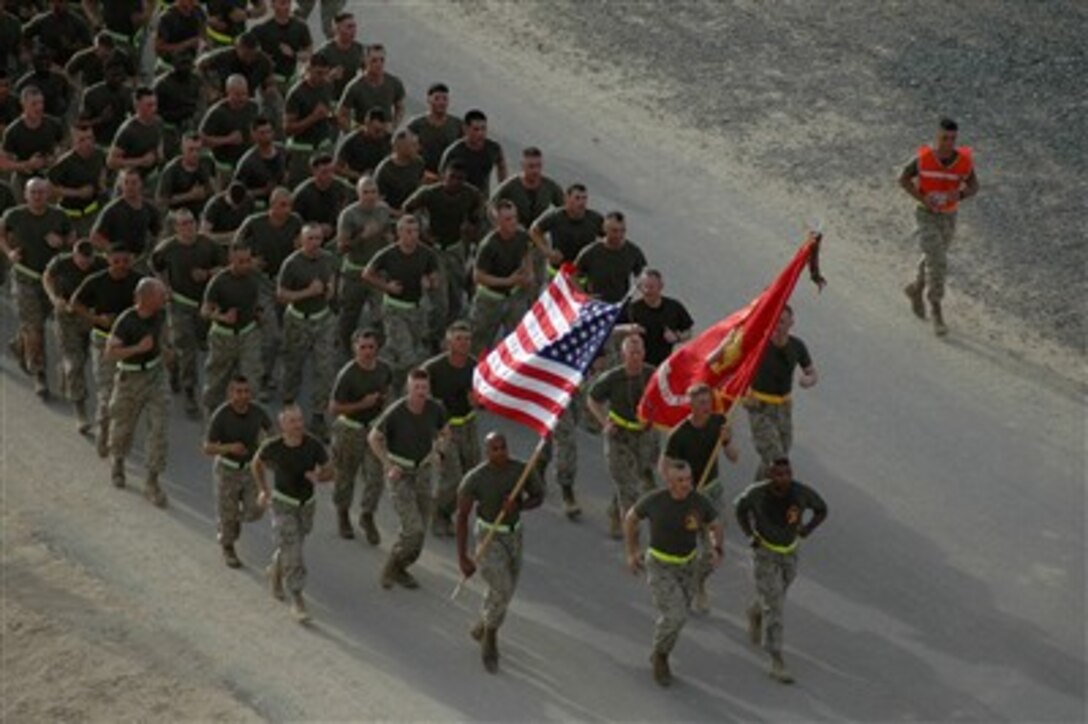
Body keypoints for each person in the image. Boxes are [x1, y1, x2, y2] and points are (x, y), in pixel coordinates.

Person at [623, 459, 722, 687]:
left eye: (689, 479)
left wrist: (717, 548)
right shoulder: (655, 501)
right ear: (668, 481)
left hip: (687, 565)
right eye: (680, 480)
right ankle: (660, 656)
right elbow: (631, 518)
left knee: (680, 615)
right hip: (660, 564)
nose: (686, 484)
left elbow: (715, 524)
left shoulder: (699, 502)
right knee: (675, 615)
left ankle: (663, 647)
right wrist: (632, 551)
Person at [456, 431, 544, 673]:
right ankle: (490, 639)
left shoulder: (521, 470)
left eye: (503, 447)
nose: (500, 452)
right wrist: (463, 557)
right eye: (494, 449)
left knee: (506, 591)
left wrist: (519, 505)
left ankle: (484, 623)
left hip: (514, 535)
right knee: (501, 586)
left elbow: (539, 497)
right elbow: (462, 517)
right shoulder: (475, 479)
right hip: (488, 536)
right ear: (486, 452)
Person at [734, 458, 827, 683]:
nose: (784, 478)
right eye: (778, 474)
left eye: (787, 473)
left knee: (779, 591)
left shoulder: (800, 493)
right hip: (765, 552)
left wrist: (807, 529)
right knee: (775, 605)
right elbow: (740, 508)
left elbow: (821, 509)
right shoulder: (756, 494)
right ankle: (776, 658)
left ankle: (756, 610)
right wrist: (750, 534)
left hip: (789, 552)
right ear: (769, 476)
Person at [367, 367, 450, 590]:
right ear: (408, 388)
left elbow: (445, 431)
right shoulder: (396, 412)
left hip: (422, 471)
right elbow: (374, 438)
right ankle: (391, 566)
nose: (421, 392)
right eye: (416, 387)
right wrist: (388, 465)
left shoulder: (435, 409)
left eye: (424, 387)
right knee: (413, 528)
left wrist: (439, 451)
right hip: (400, 473)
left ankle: (403, 567)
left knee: (421, 528)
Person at [661, 383, 739, 614]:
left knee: (712, 548)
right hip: (690, 493)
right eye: (702, 403)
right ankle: (682, 582)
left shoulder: (718, 423)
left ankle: (699, 583)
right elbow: (667, 466)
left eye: (709, 402)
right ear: (691, 406)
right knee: (688, 546)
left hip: (712, 492)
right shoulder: (679, 434)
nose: (707, 407)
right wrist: (677, 488)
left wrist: (726, 441)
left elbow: (734, 457)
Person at [899, 117, 980, 336]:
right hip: (926, 215)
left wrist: (961, 194)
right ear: (937, 137)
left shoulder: (963, 161)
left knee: (933, 257)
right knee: (938, 261)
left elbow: (974, 185)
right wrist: (922, 198)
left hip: (949, 217)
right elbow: (903, 178)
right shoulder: (923, 159)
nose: (948, 143)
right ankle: (936, 308)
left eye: (953, 139)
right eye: (944, 138)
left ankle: (916, 289)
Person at [253, 404, 333, 623]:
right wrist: (262, 489)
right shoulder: (273, 446)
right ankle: (297, 599)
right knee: (293, 549)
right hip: (282, 504)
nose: (298, 425)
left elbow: (330, 471)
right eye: (292, 421)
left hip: (306, 504)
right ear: (282, 425)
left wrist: (320, 477)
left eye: (299, 420)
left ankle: (275, 572)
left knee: (292, 544)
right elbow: (256, 463)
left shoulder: (313, 445)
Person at [0, 177, 75, 397]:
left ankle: (19, 344)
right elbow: (1, 232)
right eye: (33, 193)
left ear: (48, 195)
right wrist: (9, 253)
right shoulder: (15, 215)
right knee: (35, 327)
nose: (37, 197)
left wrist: (61, 241)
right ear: (25, 195)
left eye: (42, 193)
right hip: (25, 277)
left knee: (36, 322)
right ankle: (39, 373)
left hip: (50, 278)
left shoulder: (58, 215)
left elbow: (72, 237)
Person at [103, 276, 171, 506]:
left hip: (155, 375)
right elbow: (110, 353)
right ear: (147, 298)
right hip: (129, 378)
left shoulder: (160, 314)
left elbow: (161, 336)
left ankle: (152, 482)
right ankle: (118, 462)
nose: (165, 298)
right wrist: (137, 348)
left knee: (159, 428)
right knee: (123, 426)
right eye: (161, 295)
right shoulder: (126, 321)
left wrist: (167, 351)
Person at [70, 243, 143, 456]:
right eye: (116, 260)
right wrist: (95, 319)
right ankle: (104, 434)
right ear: (108, 259)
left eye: (125, 261)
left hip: (131, 343)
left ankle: (120, 433)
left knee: (129, 395)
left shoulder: (138, 281)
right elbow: (75, 303)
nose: (121, 265)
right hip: (104, 341)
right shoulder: (97, 281)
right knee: (107, 391)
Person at [402, 161, 484, 344]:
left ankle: (450, 335)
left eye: (460, 179)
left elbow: (477, 216)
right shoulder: (430, 193)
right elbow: (407, 209)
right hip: (434, 250)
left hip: (455, 248)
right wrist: (420, 234)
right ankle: (433, 337)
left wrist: (471, 230)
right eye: (451, 177)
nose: (455, 182)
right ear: (443, 176)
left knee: (456, 296)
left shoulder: (471, 194)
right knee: (440, 301)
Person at [150, 208, 223, 414]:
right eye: (183, 224)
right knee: (186, 347)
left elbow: (224, 267)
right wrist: (165, 286)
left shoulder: (208, 244)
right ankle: (190, 391)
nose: (188, 227)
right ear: (175, 228)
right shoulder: (167, 248)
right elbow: (155, 266)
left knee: (206, 345)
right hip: (180, 303)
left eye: (191, 222)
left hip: (205, 304)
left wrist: (208, 273)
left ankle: (175, 369)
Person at [588, 334, 658, 538]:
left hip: (642, 434)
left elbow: (660, 398)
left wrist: (653, 418)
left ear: (644, 353)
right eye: (631, 353)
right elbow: (592, 399)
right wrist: (605, 422)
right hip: (619, 435)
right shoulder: (613, 378)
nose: (635, 357)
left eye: (639, 353)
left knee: (631, 478)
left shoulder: (651, 374)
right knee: (628, 486)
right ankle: (631, 533)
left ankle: (614, 510)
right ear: (623, 355)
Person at [235, 186, 302, 398]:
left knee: (283, 333)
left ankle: (266, 371)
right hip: (260, 283)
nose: (287, 209)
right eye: (283, 205)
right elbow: (235, 248)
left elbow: (301, 245)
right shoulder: (254, 223)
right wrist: (249, 261)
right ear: (272, 205)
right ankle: (261, 378)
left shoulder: (295, 222)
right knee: (271, 334)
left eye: (289, 204)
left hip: (285, 282)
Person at [328, 328, 392, 542]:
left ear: (377, 348)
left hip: (373, 430)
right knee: (346, 476)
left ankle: (367, 515)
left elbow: (388, 393)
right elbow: (334, 408)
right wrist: (361, 404)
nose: (367, 351)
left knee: (375, 477)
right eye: (362, 347)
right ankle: (343, 514)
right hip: (349, 430)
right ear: (355, 348)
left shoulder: (384, 369)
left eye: (371, 347)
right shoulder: (348, 374)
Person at [203, 374, 273, 568]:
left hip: (250, 469)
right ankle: (228, 547)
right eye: (239, 392)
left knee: (256, 509)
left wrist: (268, 449)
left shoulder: (258, 412)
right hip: (227, 469)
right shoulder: (221, 415)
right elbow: (207, 447)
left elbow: (272, 432)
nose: (243, 396)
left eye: (247, 391)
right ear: (230, 394)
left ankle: (233, 519)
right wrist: (229, 448)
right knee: (227, 513)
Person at [361, 214, 439, 386]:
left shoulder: (427, 254)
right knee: (408, 355)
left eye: (416, 231)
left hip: (417, 309)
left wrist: (430, 282)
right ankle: (406, 391)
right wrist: (386, 286)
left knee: (411, 350)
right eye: (408, 231)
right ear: (400, 233)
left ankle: (392, 379)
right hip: (394, 310)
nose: (413, 235)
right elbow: (367, 274)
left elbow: (435, 279)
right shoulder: (388, 254)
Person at [741, 305, 816, 480]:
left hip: (783, 407)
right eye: (775, 320)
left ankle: (756, 495)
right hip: (759, 406)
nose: (778, 325)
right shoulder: (760, 343)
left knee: (780, 453)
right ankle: (762, 498)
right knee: (776, 458)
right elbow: (738, 366)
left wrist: (808, 380)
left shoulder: (797, 346)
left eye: (782, 322)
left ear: (791, 323)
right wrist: (744, 393)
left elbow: (811, 372)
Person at [276, 223, 337, 437]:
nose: (314, 243)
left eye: (318, 239)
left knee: (325, 368)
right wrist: (307, 292)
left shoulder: (328, 258)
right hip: (298, 320)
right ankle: (288, 408)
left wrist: (330, 290)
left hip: (323, 320)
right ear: (301, 241)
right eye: (310, 239)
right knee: (293, 365)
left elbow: (331, 279)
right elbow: (282, 295)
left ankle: (319, 416)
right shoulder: (291, 264)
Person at [422, 321, 480, 537]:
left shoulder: (475, 367)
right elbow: (420, 398)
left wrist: (478, 402)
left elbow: (482, 400)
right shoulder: (433, 368)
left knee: (471, 474)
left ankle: (448, 511)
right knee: (452, 476)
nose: (464, 343)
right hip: (445, 429)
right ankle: (439, 514)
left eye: (467, 339)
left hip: (468, 425)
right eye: (459, 339)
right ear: (448, 342)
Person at [43, 239, 106, 432]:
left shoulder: (102, 264)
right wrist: (54, 298)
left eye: (88, 261)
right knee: (75, 361)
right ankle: (80, 410)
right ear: (74, 254)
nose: (85, 264)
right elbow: (47, 276)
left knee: (83, 357)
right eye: (81, 260)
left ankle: (65, 370)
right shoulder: (61, 262)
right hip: (67, 316)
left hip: (90, 316)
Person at [489, 146, 564, 292]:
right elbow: (492, 207)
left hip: (537, 241)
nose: (535, 170)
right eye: (531, 166)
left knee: (536, 282)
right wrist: (503, 225)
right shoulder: (511, 186)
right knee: (516, 282)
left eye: (538, 166)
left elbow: (563, 210)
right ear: (522, 166)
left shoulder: (549, 186)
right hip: (514, 240)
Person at [200, 240, 262, 413]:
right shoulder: (219, 281)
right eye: (241, 261)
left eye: (248, 260)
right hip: (223, 336)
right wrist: (221, 317)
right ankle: (212, 418)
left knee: (252, 378)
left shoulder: (254, 276)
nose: (246, 265)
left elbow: (258, 299)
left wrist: (258, 313)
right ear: (231, 260)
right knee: (217, 380)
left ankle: (250, 415)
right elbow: (205, 311)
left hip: (248, 333)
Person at [335, 175, 392, 356]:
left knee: (381, 315)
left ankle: (377, 353)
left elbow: (388, 232)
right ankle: (346, 352)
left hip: (377, 271)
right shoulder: (349, 215)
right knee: (350, 316)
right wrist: (362, 237)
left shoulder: (383, 211)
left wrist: (389, 239)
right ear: (358, 194)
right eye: (365, 192)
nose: (370, 196)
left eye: (373, 192)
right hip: (355, 272)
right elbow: (342, 247)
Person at [468, 199, 533, 355]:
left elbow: (527, 253)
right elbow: (478, 277)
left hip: (514, 297)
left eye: (515, 217)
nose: (513, 222)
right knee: (480, 343)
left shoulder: (521, 236)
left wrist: (529, 274)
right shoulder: (489, 245)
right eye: (508, 219)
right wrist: (508, 281)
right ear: (498, 222)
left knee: (517, 339)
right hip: (489, 300)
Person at [0, 86, 65, 200]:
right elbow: (3, 163)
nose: (39, 107)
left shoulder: (53, 124)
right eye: (34, 104)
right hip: (23, 179)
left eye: (41, 103)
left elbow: (64, 146)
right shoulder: (13, 131)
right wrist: (27, 164)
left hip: (49, 176)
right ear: (23, 105)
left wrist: (55, 157)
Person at [529, 183, 603, 283]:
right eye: (577, 198)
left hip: (581, 277)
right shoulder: (555, 216)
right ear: (567, 199)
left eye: (584, 198)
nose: (582, 202)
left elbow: (608, 239)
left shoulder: (595, 219)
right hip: (557, 275)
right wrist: (547, 252)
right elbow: (534, 230)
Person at [283, 52, 336, 187]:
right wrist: (313, 117)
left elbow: (328, 111)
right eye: (318, 73)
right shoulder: (297, 93)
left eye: (325, 73)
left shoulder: (327, 86)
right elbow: (288, 129)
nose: (322, 77)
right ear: (309, 69)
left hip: (323, 146)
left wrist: (330, 116)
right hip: (302, 150)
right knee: (300, 187)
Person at [620, 269, 693, 366]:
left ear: (661, 287)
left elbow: (688, 331)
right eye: (644, 287)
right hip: (638, 365)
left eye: (651, 287)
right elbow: (612, 329)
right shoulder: (633, 309)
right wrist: (628, 329)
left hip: (664, 364)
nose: (647, 291)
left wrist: (677, 337)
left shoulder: (674, 307)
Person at [47, 121, 107, 238]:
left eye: (90, 138)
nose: (87, 143)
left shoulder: (99, 154)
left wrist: (101, 182)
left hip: (94, 212)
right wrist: (77, 193)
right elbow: (50, 189)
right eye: (82, 140)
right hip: (70, 216)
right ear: (73, 142)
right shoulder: (64, 163)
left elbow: (104, 168)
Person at [91, 168, 162, 262]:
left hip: (141, 259)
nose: (129, 186)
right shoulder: (112, 209)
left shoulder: (149, 208)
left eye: (134, 182)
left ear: (141, 184)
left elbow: (159, 233)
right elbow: (95, 237)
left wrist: (152, 251)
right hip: (118, 262)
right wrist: (115, 251)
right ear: (121, 185)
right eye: (126, 182)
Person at [199, 73, 259, 181]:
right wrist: (227, 140)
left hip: (248, 161)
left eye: (245, 94)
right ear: (228, 93)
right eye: (237, 95)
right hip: (225, 166)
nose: (242, 98)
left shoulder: (253, 107)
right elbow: (202, 139)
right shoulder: (217, 112)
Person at [336, 43, 404, 131]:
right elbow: (341, 114)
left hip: (385, 134)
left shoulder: (394, 83)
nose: (379, 64)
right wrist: (353, 131)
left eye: (382, 60)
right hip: (364, 135)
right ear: (366, 60)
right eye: (374, 60)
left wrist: (394, 126)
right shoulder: (355, 87)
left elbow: (400, 108)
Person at [439, 109, 506, 196]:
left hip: (482, 198)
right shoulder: (454, 151)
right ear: (466, 129)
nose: (480, 133)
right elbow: (442, 177)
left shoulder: (493, 148)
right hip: (459, 198)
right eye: (476, 129)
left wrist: (502, 190)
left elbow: (502, 167)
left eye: (483, 129)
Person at [106, 86, 164, 185]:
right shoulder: (128, 130)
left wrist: (158, 154)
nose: (154, 108)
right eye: (149, 105)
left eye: (155, 104)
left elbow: (159, 142)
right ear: (137, 106)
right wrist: (140, 161)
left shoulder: (158, 122)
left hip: (151, 178)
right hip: (129, 181)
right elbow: (111, 162)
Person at [291, 153, 353, 244]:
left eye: (331, 171)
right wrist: (316, 228)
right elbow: (295, 222)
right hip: (309, 238)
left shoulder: (342, 188)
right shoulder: (302, 194)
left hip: (336, 236)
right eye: (324, 172)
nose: (329, 175)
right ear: (314, 171)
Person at [251, 0, 312, 92]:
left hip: (293, 80)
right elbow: (250, 54)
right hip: (270, 82)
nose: (287, 7)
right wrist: (263, 58)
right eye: (282, 3)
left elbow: (309, 53)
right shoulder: (261, 29)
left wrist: (294, 54)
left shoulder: (300, 27)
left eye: (288, 3)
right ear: (272, 5)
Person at [156, 132, 217, 220]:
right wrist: (189, 196)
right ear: (182, 149)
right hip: (178, 217)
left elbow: (214, 187)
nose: (195, 154)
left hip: (202, 214)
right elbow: (161, 200)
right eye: (191, 149)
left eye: (198, 149)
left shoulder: (207, 162)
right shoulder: (172, 170)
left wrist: (207, 190)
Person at [406, 82, 461, 179]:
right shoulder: (416, 124)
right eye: (437, 99)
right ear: (428, 100)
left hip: (448, 178)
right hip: (421, 176)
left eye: (445, 99)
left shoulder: (457, 125)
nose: (441, 102)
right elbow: (407, 152)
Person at [232, 115, 287, 209]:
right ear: (254, 134)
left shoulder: (282, 151)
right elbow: (237, 192)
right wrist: (263, 191)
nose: (267, 136)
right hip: (257, 205)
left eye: (269, 132)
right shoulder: (248, 162)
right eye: (262, 133)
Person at [80, 56, 132, 147]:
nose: (118, 79)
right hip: (97, 143)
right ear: (105, 74)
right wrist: (101, 119)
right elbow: (80, 125)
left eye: (121, 75)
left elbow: (136, 117)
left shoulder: (128, 93)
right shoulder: (92, 94)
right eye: (114, 75)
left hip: (120, 143)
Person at [373, 128, 424, 213]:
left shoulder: (418, 163)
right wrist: (397, 213)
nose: (418, 148)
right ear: (398, 147)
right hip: (392, 213)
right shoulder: (384, 171)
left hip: (413, 211)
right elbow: (376, 201)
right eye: (413, 145)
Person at [334, 107, 391, 182]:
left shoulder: (389, 139)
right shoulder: (352, 141)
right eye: (377, 131)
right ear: (367, 124)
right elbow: (337, 167)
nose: (380, 135)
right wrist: (359, 176)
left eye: (383, 131)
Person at [314, 11, 361, 100]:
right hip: (330, 100)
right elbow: (310, 79)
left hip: (353, 101)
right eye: (349, 27)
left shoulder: (360, 51)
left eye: (354, 26)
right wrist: (329, 77)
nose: (353, 30)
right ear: (337, 29)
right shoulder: (324, 52)